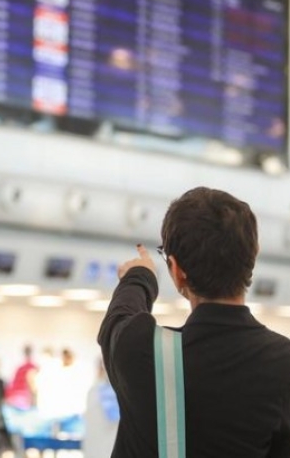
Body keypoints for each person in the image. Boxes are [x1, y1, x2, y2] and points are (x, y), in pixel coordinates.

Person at [98, 186, 290, 457]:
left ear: (177, 272)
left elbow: (119, 316)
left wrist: (140, 276)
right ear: (253, 255)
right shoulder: (283, 363)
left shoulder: (140, 351)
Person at [4, 344, 38, 410]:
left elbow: (12, 385)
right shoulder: (33, 368)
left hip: (17, 398)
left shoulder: (20, 368)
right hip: (24, 399)